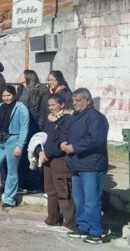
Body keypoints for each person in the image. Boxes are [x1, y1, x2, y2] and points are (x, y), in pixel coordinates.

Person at [59, 88, 109, 244]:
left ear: (88, 101)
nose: (74, 103)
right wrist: (62, 142)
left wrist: (74, 147)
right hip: (76, 164)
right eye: (73, 100)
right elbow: (64, 131)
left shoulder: (96, 117)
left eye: (78, 100)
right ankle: (83, 226)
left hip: (92, 165)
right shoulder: (74, 116)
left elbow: (96, 139)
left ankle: (96, 231)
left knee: (91, 200)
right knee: (79, 199)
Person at [36, 93, 76, 232]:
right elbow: (44, 138)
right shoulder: (49, 120)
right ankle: (52, 219)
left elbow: (62, 141)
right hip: (47, 160)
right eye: (49, 105)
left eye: (54, 105)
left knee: (63, 191)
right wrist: (40, 152)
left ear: (62, 105)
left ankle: (70, 222)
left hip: (59, 160)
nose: (51, 108)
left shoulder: (67, 120)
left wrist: (49, 153)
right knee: (50, 191)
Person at [17, 70, 47, 192]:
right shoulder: (20, 90)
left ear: (28, 77)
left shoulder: (39, 91)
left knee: (32, 154)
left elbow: (41, 112)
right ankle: (23, 183)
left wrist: (39, 126)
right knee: (23, 156)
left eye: (21, 74)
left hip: (33, 126)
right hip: (21, 127)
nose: (19, 76)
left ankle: (34, 184)